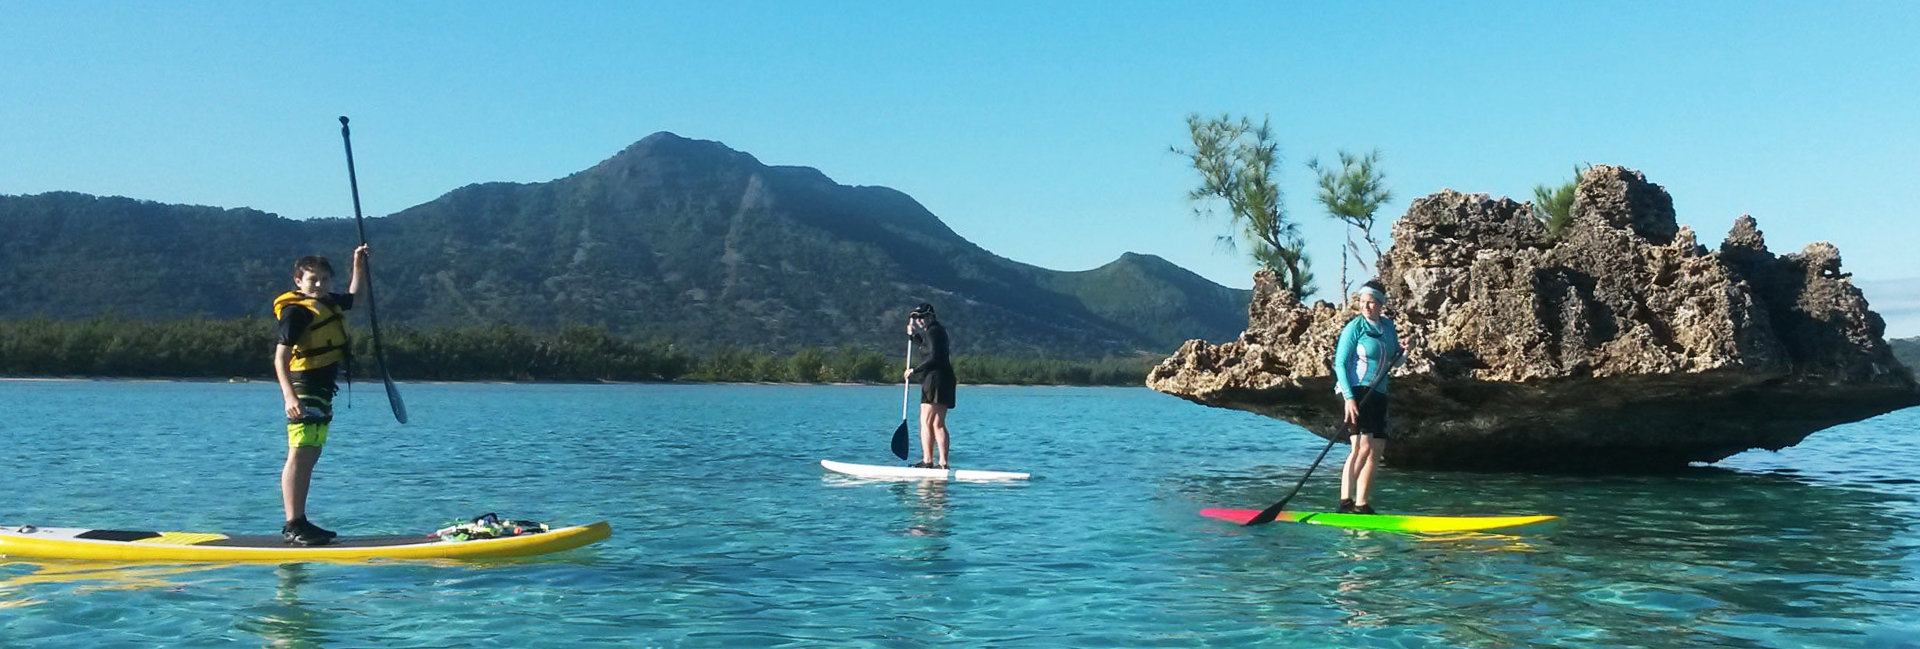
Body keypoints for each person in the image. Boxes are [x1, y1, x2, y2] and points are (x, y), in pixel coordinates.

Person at [272, 244, 368, 545]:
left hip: (322, 390)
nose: (319, 285)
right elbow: (280, 359)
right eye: (313, 279)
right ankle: (292, 524)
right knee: (299, 454)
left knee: (311, 453)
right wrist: (290, 397)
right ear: (298, 281)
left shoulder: (327, 302)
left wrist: (358, 263)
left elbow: (356, 298)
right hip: (304, 387)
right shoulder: (296, 312)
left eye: (325, 279)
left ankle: (301, 521)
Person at [1333, 279, 1406, 515]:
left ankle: (1362, 504)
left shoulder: (1388, 328)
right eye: (1362, 302)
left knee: (1376, 449)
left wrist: (1407, 349)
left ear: (1380, 304)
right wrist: (1348, 398)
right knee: (1361, 447)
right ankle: (1345, 502)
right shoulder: (1355, 328)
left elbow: (1395, 360)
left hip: (1378, 393)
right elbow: (1340, 364)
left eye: (1371, 302)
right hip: (1356, 391)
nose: (1365, 307)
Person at [904, 303, 956, 469]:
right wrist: (914, 337)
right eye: (916, 317)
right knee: (937, 423)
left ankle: (928, 460)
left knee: (926, 421)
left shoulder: (933, 331)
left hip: (934, 379)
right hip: (944, 378)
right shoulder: (936, 332)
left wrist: (914, 370)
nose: (919, 320)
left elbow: (933, 357)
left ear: (931, 316)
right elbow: (928, 348)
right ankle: (943, 463)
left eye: (921, 317)